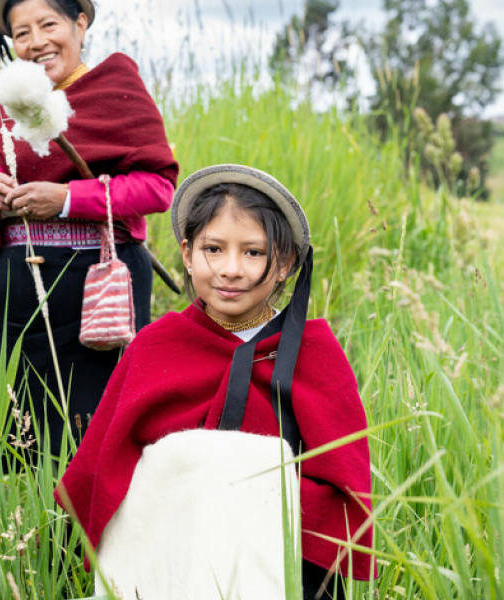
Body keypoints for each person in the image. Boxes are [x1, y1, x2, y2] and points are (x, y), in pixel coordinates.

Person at [57, 165, 375, 599]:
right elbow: (102, 468)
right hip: (167, 556)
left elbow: (343, 489)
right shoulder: (157, 346)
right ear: (187, 254)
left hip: (284, 565)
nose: (230, 269)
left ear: (283, 264)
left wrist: (246, 488)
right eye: (214, 249)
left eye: (253, 253)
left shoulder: (313, 355)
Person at [0, 0, 178, 460]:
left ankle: (91, 531)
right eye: (21, 33)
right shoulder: (1, 114)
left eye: (48, 24)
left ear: (79, 25)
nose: (36, 42)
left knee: (95, 435)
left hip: (99, 291)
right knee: (16, 436)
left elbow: (158, 188)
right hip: (16, 297)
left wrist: (65, 200)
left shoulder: (116, 91)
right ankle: (25, 533)